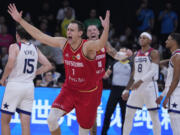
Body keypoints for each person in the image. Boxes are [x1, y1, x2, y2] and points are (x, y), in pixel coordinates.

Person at [8, 3, 110, 135]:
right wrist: (20, 20)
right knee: (51, 120)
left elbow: (100, 44)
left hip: (87, 93)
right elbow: (40, 36)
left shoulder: (87, 46)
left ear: (80, 33)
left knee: (84, 131)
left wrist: (105, 29)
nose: (68, 32)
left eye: (72, 30)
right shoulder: (63, 43)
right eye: (68, 29)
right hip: (69, 89)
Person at [0, 25, 52, 135]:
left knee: (4, 121)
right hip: (29, 87)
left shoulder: (14, 46)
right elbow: (48, 65)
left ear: (17, 35)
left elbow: (10, 65)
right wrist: (34, 73)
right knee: (25, 123)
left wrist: (3, 78)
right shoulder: (35, 48)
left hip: (15, 85)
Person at [86, 25, 132, 135]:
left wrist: (127, 54)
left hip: (97, 83)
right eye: (89, 30)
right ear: (87, 34)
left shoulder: (104, 44)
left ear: (98, 33)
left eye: (94, 30)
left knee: (93, 112)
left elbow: (115, 54)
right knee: (85, 112)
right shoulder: (83, 45)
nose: (92, 32)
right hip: (85, 82)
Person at [122, 32, 161, 135]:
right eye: (140, 38)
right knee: (128, 114)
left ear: (150, 40)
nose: (141, 39)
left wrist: (140, 81)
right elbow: (133, 73)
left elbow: (153, 71)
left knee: (154, 116)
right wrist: (126, 89)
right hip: (136, 87)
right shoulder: (136, 54)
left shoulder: (154, 52)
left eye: (144, 38)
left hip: (150, 86)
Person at [101, 48, 132, 135]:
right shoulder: (114, 63)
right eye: (120, 51)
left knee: (124, 115)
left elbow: (133, 78)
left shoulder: (131, 64)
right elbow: (105, 76)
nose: (120, 53)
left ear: (126, 54)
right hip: (114, 90)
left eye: (123, 51)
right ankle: (103, 133)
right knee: (108, 113)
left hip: (125, 91)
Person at [156, 33, 180, 135]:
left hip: (176, 94)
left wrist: (167, 97)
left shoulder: (177, 57)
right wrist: (162, 95)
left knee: (176, 127)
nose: (166, 41)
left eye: (168, 39)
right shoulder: (174, 57)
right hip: (175, 93)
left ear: (174, 42)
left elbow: (175, 80)